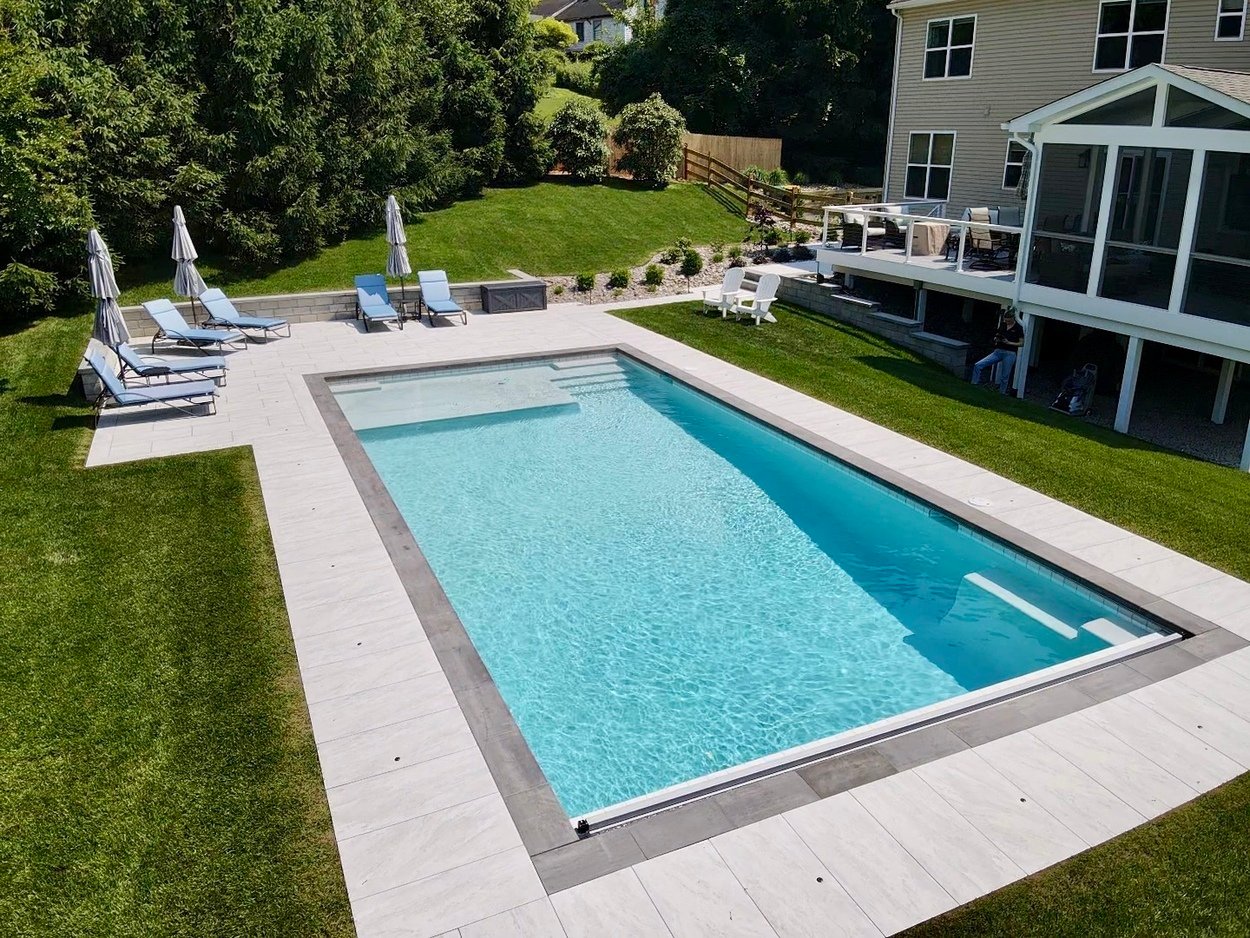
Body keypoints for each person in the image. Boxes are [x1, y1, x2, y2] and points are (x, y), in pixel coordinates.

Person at [971, 310, 1024, 393]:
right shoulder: (1003, 325)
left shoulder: (1018, 328)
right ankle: (974, 383)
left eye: (1008, 320)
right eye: (1005, 320)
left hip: (1010, 353)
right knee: (978, 365)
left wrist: (1009, 342)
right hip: (998, 351)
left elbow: (1021, 343)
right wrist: (996, 339)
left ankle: (1002, 392)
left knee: (1005, 375)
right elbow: (997, 334)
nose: (1007, 322)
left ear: (1013, 318)